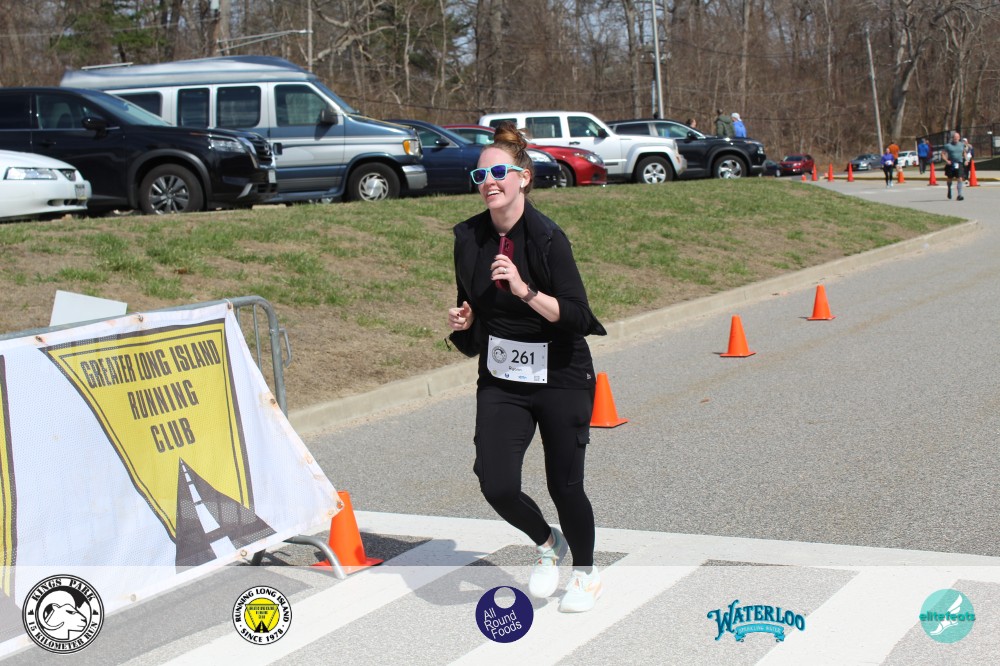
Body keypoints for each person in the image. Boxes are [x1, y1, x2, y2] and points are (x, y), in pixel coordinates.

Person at [447, 121, 606, 613]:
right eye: (480, 176)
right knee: (495, 482)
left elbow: (578, 316)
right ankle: (547, 542)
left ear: (523, 178)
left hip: (560, 373)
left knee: (565, 484)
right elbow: (473, 313)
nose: (489, 182)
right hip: (503, 377)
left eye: (499, 173)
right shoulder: (468, 238)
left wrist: (524, 290)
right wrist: (465, 321)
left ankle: (585, 572)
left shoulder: (548, 238)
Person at [941, 131, 965, 201]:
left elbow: (964, 152)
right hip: (951, 164)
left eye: (957, 137)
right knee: (950, 178)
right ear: (952, 138)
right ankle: (949, 189)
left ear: (959, 138)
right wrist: (947, 161)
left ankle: (959, 195)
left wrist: (966, 159)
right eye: (955, 137)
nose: (956, 138)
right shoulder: (948, 146)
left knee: (960, 178)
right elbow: (942, 154)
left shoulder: (962, 145)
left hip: (959, 163)